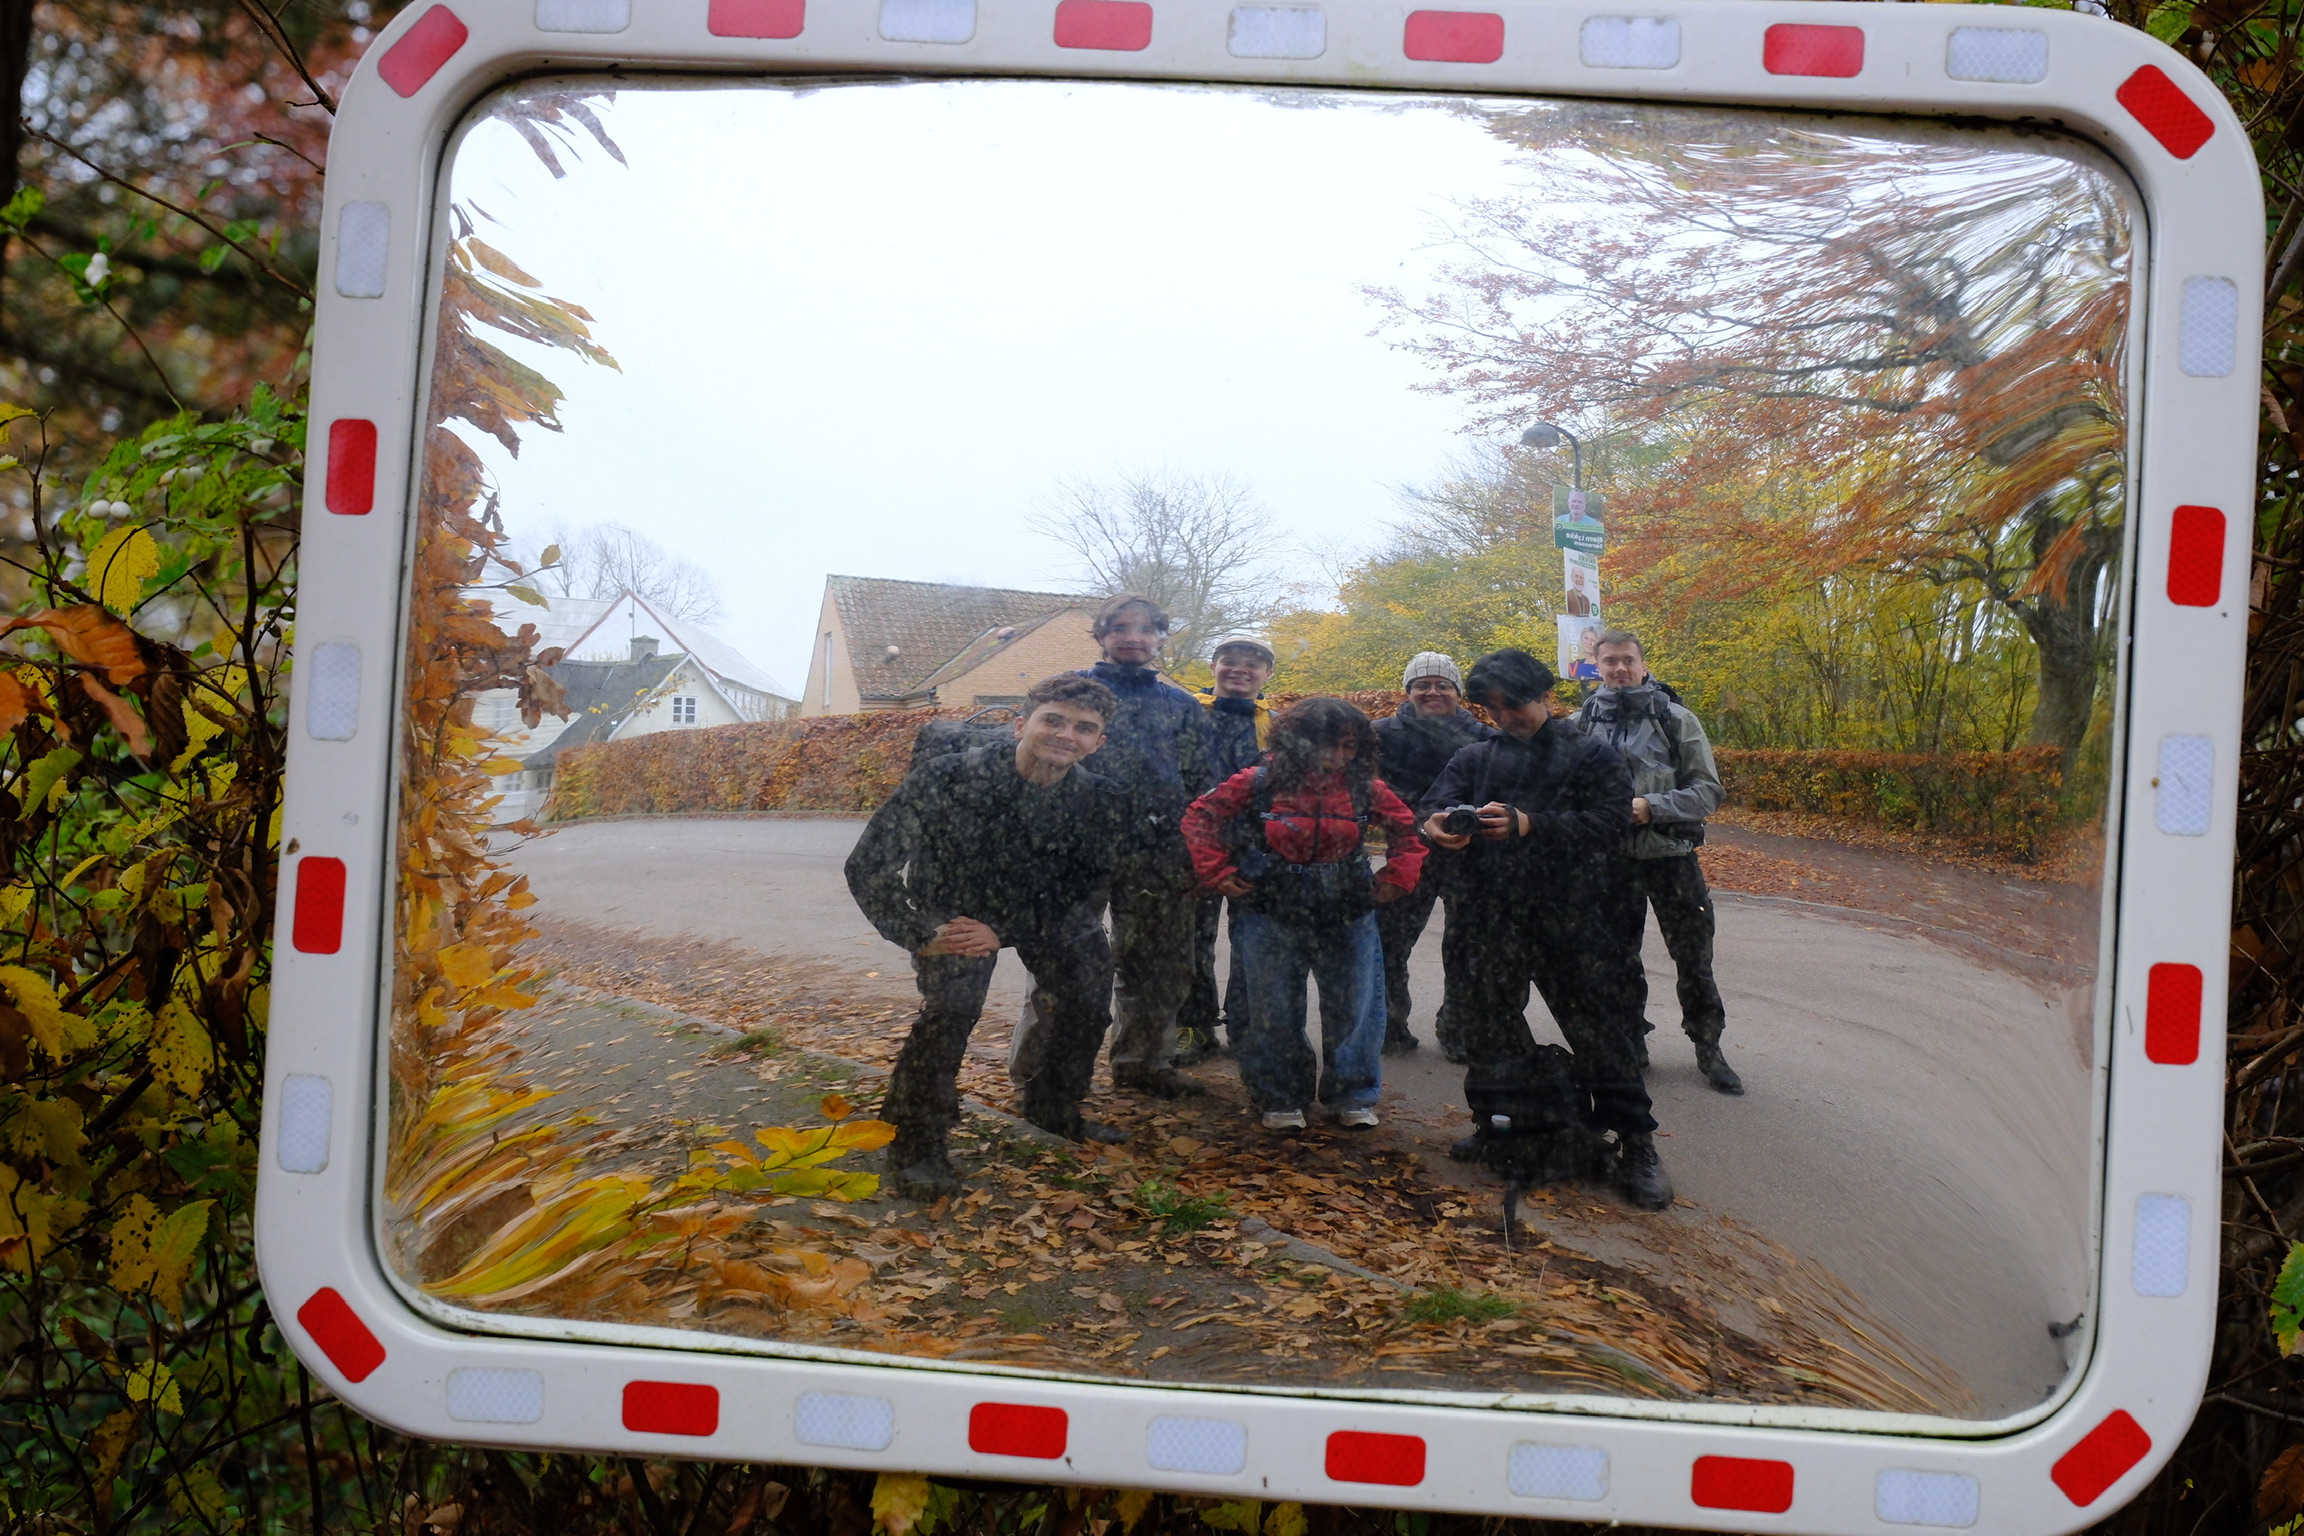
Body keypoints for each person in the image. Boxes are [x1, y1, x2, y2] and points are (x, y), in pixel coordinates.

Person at [846, 674, 1134, 1197]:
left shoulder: (1102, 800)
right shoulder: (947, 778)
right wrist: (918, 932)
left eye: (1084, 728)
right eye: (1053, 720)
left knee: (1088, 997)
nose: (1066, 734)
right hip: (954, 909)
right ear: (1022, 724)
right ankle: (915, 1139)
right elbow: (868, 865)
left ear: (1099, 742)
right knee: (951, 1009)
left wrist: (1004, 930)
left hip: (1042, 911)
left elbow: (1087, 890)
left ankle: (1053, 1106)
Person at [1419, 648, 1672, 1211]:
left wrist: (1532, 824)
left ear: (1545, 697)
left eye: (1516, 704)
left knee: (1600, 1032)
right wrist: (1436, 826)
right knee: (1488, 1028)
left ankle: (1637, 1142)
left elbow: (1610, 825)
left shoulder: (1591, 755)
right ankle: (1499, 1122)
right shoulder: (1474, 757)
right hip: (1486, 917)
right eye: (1493, 707)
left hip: (1570, 914)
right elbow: (1432, 807)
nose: (1505, 715)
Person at [1009, 593, 1217, 1101]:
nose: (1133, 637)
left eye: (1146, 629)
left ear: (1161, 638)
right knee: (1060, 965)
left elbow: (1203, 786)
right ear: (1101, 635)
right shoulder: (1065, 697)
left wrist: (1198, 850)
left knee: (1161, 966)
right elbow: (1025, 767)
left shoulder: (1181, 706)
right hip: (1073, 851)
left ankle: (1143, 1062)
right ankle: (1037, 1075)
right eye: (1121, 627)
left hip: (1160, 852)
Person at [1184, 698, 1424, 1131]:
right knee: (1271, 1006)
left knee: (1356, 1006)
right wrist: (1216, 871)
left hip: (1348, 907)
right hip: (1271, 906)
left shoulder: (1365, 787)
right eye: (1325, 744)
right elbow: (1200, 817)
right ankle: (1280, 1094)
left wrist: (1399, 875)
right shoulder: (1258, 781)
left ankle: (1353, 1093)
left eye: (1349, 746)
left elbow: (1407, 830)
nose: (1336, 756)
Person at [1575, 630, 1740, 1094]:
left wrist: (1652, 807)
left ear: (1643, 665)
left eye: (1628, 660)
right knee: (1615, 960)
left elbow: (1708, 791)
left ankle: (1709, 1047)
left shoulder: (1677, 720)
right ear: (1598, 667)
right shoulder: (1580, 723)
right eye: (1610, 662)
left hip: (1672, 858)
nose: (1620, 669)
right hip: (1609, 866)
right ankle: (1632, 1042)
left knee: (1694, 959)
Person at [1369, 651, 1494, 1059]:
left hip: (1469, 854)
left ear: (1457, 691)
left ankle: (1457, 1027)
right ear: (1408, 691)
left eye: (1443, 684)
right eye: (1422, 684)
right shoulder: (1380, 736)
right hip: (1407, 852)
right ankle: (1389, 1024)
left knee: (1468, 945)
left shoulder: (1482, 737)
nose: (1432, 691)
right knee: (1390, 941)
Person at [1179, 632, 1276, 1062]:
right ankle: (1191, 1028)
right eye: (1229, 660)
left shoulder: (1276, 723)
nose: (1239, 668)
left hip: (1257, 852)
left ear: (1267, 674)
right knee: (1191, 945)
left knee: (1252, 945)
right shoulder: (1185, 712)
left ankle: (1246, 1027)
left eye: (1252, 663)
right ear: (1213, 666)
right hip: (1193, 846)